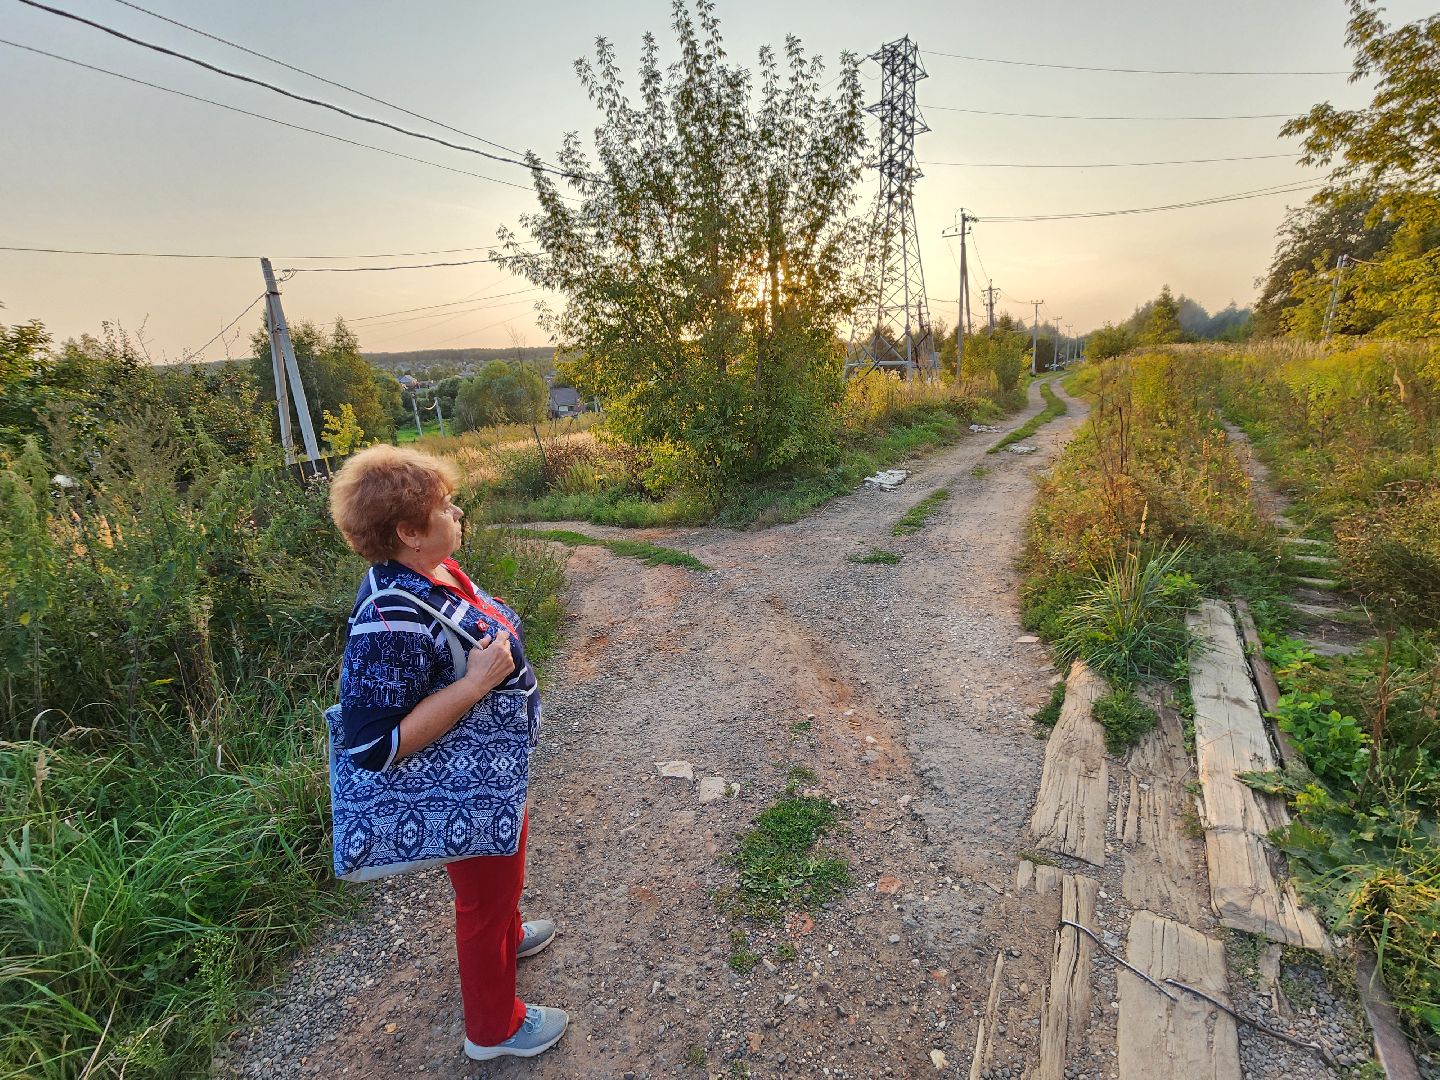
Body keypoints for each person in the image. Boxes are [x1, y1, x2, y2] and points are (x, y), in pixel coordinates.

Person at [328, 444, 568, 1062]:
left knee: (505, 869)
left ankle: (510, 938)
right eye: (444, 507)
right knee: (483, 902)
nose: (458, 512)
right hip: (458, 784)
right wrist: (475, 684)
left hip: (488, 770)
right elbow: (373, 744)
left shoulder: (428, 574)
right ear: (408, 532)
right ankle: (494, 1031)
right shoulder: (388, 618)